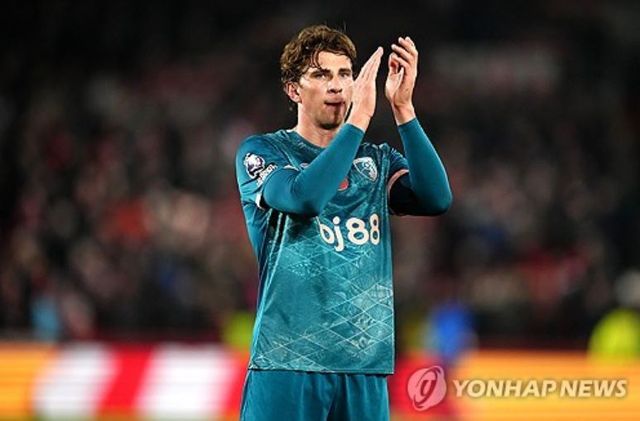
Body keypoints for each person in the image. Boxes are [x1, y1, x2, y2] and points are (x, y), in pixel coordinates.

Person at [235, 24, 452, 421]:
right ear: (293, 90)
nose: (336, 85)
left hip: (364, 365)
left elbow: (437, 198)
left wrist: (404, 109)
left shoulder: (376, 160)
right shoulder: (263, 151)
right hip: (287, 361)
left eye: (344, 74)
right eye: (321, 75)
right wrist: (360, 119)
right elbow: (304, 198)